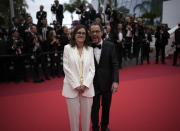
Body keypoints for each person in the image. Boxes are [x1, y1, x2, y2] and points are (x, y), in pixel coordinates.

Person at [62, 25, 95, 131]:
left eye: (83, 33)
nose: (81, 35)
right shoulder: (67, 48)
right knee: (73, 119)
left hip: (87, 88)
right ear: (74, 35)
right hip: (71, 88)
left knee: (86, 119)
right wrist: (76, 85)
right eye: (79, 33)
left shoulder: (90, 49)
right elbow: (66, 68)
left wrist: (85, 84)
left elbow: (92, 69)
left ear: (86, 36)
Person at [90, 23, 119, 131]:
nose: (94, 34)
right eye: (92, 32)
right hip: (93, 84)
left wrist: (115, 81)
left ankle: (104, 126)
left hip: (107, 83)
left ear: (102, 33)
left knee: (106, 107)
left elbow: (115, 64)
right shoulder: (87, 47)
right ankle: (95, 127)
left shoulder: (110, 45)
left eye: (97, 31)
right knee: (94, 108)